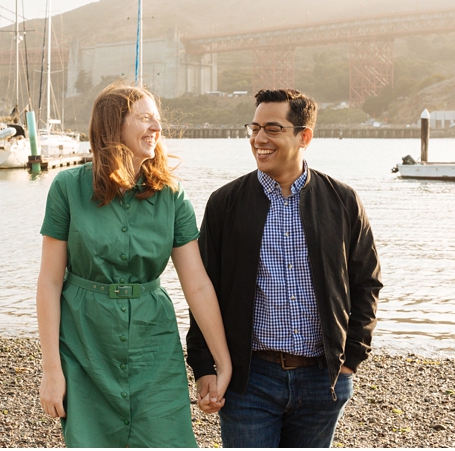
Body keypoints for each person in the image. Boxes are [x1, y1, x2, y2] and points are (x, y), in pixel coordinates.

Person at [37, 82, 232, 447]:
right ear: (114, 126)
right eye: (144, 118)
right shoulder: (67, 188)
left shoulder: (172, 196)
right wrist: (52, 370)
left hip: (154, 348)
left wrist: (224, 362)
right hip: (84, 346)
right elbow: (49, 282)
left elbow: (198, 285)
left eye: (157, 119)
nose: (155, 128)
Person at [186, 88, 383, 448]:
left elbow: (366, 283)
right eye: (255, 127)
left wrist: (351, 357)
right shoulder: (225, 203)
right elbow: (202, 289)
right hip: (250, 380)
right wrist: (202, 367)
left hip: (323, 380)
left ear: (303, 136)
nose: (259, 139)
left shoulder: (342, 200)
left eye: (273, 129)